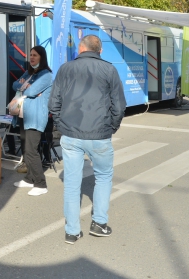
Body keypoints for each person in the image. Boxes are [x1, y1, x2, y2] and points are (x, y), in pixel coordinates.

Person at [49, 35, 126, 244]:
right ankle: (99, 224)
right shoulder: (109, 70)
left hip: (71, 134)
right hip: (99, 135)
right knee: (103, 177)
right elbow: (119, 105)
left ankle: (72, 232)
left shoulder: (65, 69)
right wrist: (112, 127)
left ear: (80, 49)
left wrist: (61, 124)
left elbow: (53, 102)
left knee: (72, 184)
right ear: (99, 51)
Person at [11, 45, 52, 196]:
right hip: (24, 115)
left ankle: (41, 184)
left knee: (32, 150)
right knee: (26, 149)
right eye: (30, 55)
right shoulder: (30, 73)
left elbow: (32, 91)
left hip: (35, 116)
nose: (31, 57)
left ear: (42, 57)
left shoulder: (45, 75)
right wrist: (25, 86)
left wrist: (26, 87)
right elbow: (15, 84)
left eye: (35, 55)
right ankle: (29, 179)